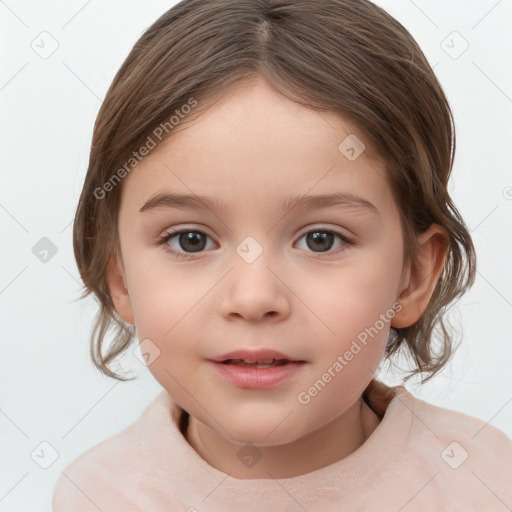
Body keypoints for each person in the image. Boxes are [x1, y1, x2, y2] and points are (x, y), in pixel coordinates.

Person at [52, 0, 512, 510]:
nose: (253, 298)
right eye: (191, 240)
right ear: (120, 276)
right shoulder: (96, 496)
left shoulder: (485, 483)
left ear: (413, 277)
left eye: (321, 239)